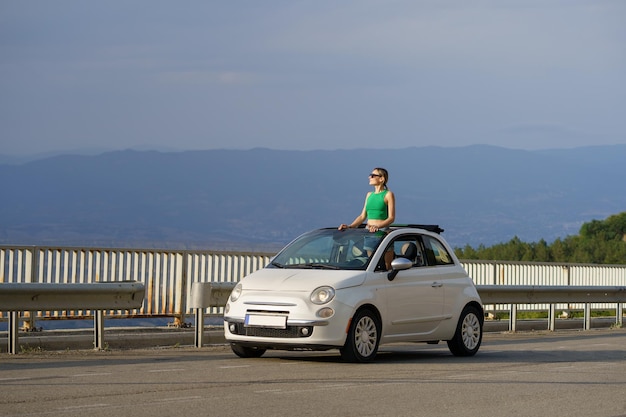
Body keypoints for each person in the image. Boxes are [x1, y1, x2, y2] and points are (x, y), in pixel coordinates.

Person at [339, 167, 396, 268]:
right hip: (369, 232)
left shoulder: (388, 194)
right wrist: (350, 226)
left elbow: (391, 217)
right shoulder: (369, 195)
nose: (370, 177)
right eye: (370, 175)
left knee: (388, 266)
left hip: (382, 232)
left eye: (373, 175)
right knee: (374, 265)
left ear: (382, 179)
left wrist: (378, 226)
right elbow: (362, 216)